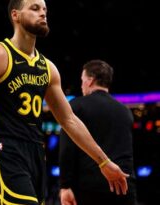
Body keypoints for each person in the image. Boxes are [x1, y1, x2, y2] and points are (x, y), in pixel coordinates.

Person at [0, 0, 129, 204]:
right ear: (15, 15)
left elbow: (69, 120)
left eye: (45, 9)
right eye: (35, 8)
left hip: (36, 152)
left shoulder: (48, 68)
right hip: (3, 148)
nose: (43, 13)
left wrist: (103, 161)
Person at [59, 60, 137, 205]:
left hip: (88, 189)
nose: (81, 85)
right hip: (124, 186)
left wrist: (65, 185)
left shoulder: (76, 107)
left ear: (90, 80)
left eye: (82, 80)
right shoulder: (125, 111)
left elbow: (67, 149)